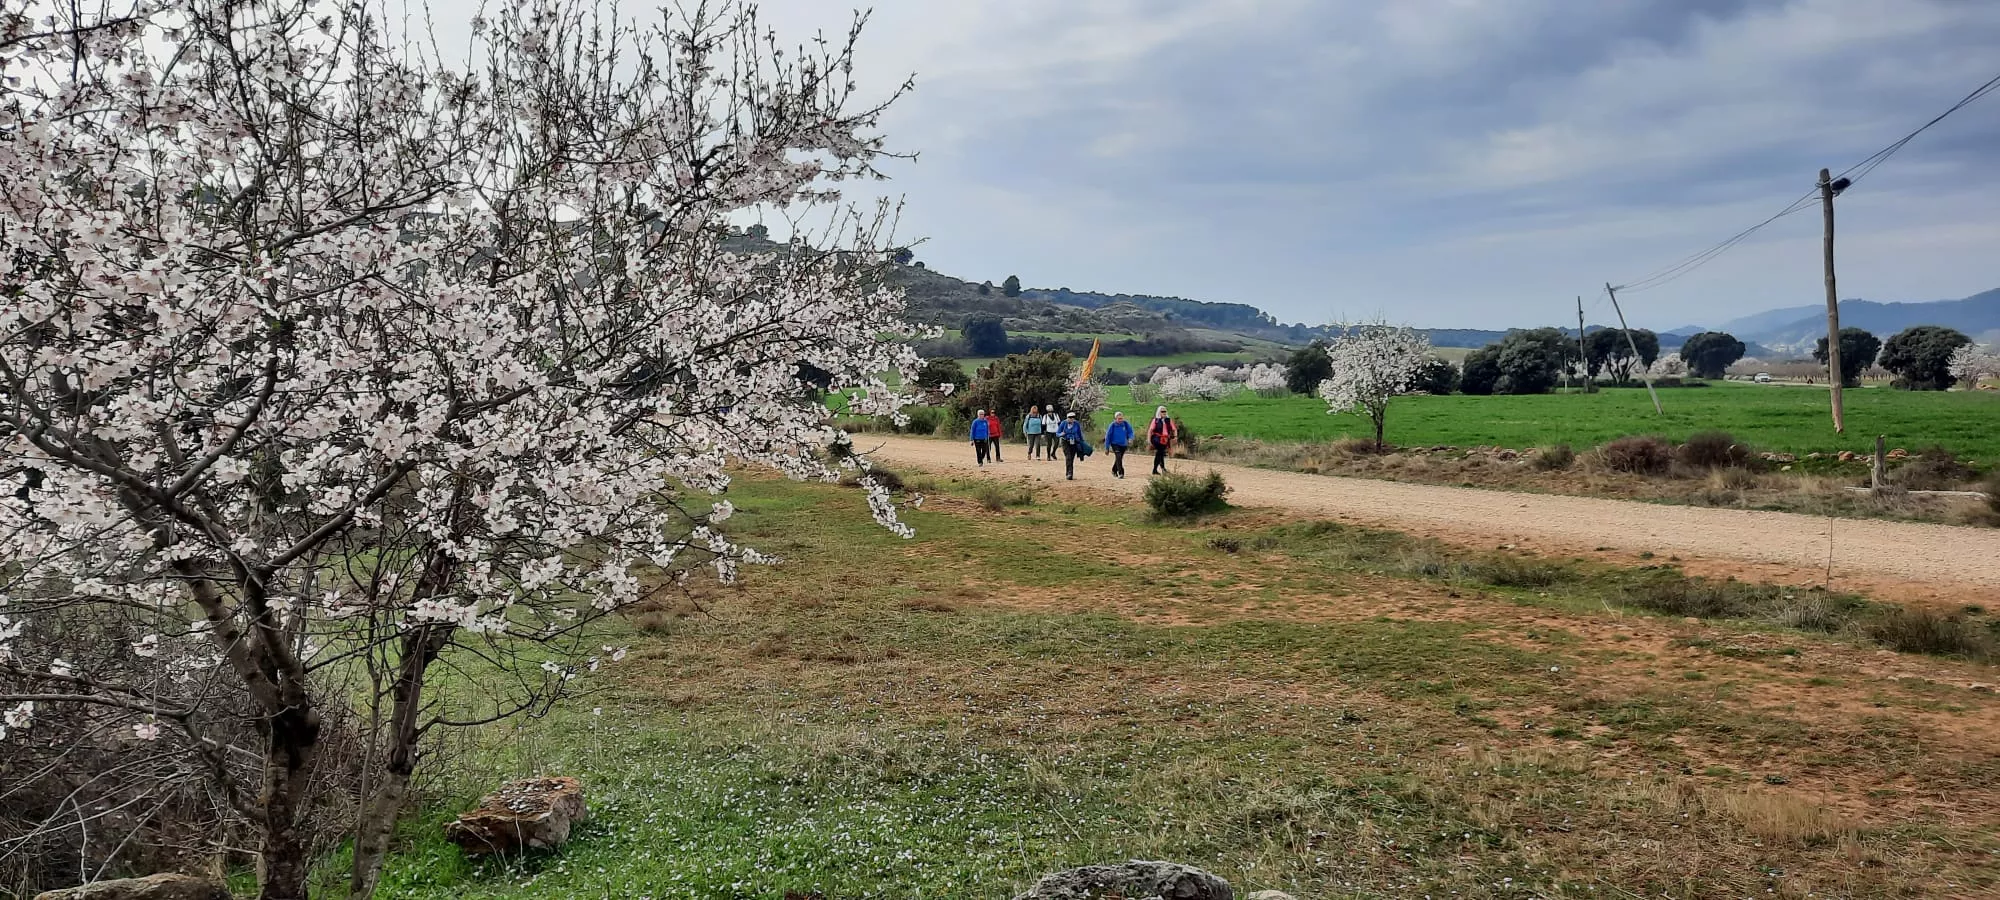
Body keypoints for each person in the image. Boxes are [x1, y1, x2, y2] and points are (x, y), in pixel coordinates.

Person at [1103, 411, 1134, 479]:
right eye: (1119, 419)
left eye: (1121, 418)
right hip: (1115, 444)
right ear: (1115, 419)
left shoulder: (1125, 424)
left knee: (1119, 458)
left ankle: (1114, 470)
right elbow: (1108, 436)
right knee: (1118, 457)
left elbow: (1130, 432)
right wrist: (1106, 447)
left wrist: (1130, 438)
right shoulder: (1112, 425)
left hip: (1123, 444)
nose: (1120, 420)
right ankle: (1121, 473)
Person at [1147, 405, 1177, 475]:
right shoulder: (1156, 420)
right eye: (1162, 411)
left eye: (1165, 411)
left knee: (1160, 453)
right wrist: (1148, 439)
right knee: (1160, 452)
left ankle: (1160, 469)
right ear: (1159, 412)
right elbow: (1150, 430)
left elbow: (1174, 429)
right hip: (1156, 438)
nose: (1164, 413)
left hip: (1165, 439)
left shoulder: (1168, 420)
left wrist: (1175, 436)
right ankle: (1158, 469)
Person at [1057, 412, 1087, 480]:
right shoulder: (1063, 423)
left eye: (1073, 417)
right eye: (1070, 418)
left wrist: (1082, 442)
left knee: (1072, 458)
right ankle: (1069, 474)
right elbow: (1057, 433)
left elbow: (1079, 433)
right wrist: (1062, 434)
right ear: (1067, 418)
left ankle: (1070, 473)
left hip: (1074, 442)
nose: (1071, 419)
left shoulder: (1076, 424)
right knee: (1068, 457)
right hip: (1065, 441)